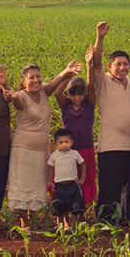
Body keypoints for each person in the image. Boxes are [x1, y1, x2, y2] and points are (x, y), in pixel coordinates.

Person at [6, 61, 81, 229]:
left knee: (36, 186)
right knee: (22, 186)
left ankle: (33, 220)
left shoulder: (44, 92)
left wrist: (67, 70)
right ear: (24, 81)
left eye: (38, 76)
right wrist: (5, 85)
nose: (35, 80)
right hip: (23, 149)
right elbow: (14, 99)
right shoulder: (21, 96)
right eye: (31, 77)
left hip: (41, 149)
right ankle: (24, 223)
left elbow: (55, 81)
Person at [92, 22, 130, 224]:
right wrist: (100, 37)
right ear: (110, 67)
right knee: (109, 184)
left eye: (125, 64)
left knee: (127, 185)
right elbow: (96, 62)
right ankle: (105, 219)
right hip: (111, 144)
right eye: (117, 64)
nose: (122, 68)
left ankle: (125, 217)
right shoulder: (103, 81)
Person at [54, 46, 96, 208]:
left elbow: (91, 85)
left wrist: (88, 66)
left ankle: (81, 214)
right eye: (73, 93)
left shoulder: (89, 104)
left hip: (86, 148)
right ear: (68, 94)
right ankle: (68, 212)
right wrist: (69, 74)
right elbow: (57, 93)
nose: (77, 97)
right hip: (67, 150)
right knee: (68, 181)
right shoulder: (65, 105)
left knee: (84, 181)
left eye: (80, 93)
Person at [48, 129, 86, 231]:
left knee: (74, 207)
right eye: (61, 142)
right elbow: (51, 168)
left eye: (66, 142)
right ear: (56, 144)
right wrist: (51, 182)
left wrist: (82, 178)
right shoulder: (54, 155)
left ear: (71, 142)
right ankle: (60, 226)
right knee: (59, 207)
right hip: (59, 186)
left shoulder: (75, 154)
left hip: (72, 185)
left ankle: (74, 227)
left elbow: (82, 165)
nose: (64, 144)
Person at [0, 66, 11, 232]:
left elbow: (12, 98)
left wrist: (4, 84)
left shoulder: (2, 93)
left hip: (1, 147)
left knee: (0, 182)